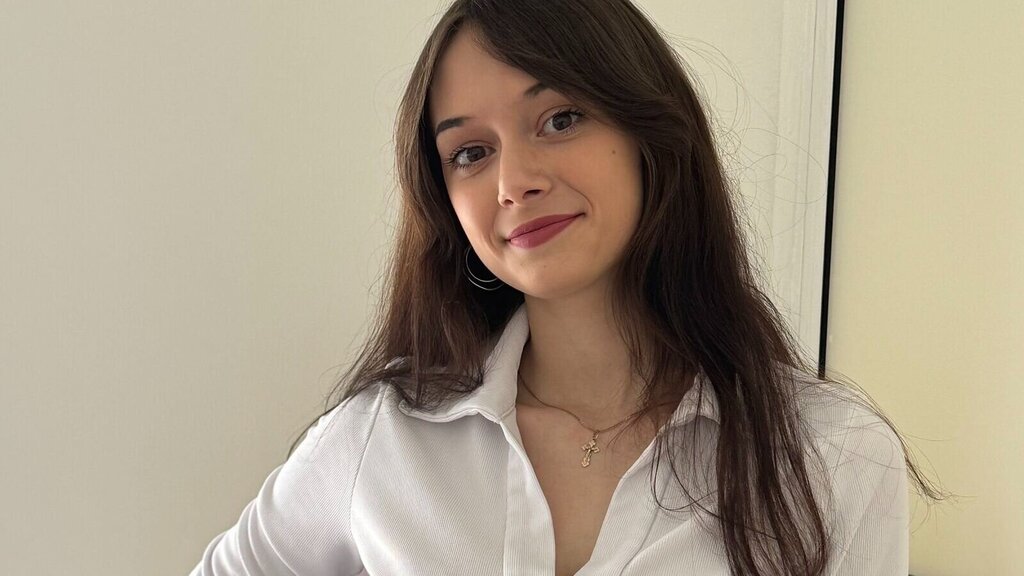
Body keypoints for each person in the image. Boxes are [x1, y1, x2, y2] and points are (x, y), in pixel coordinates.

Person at [191, 1, 944, 574]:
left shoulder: (829, 456)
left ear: (649, 133)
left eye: (560, 119)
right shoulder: (383, 438)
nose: (514, 181)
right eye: (470, 153)